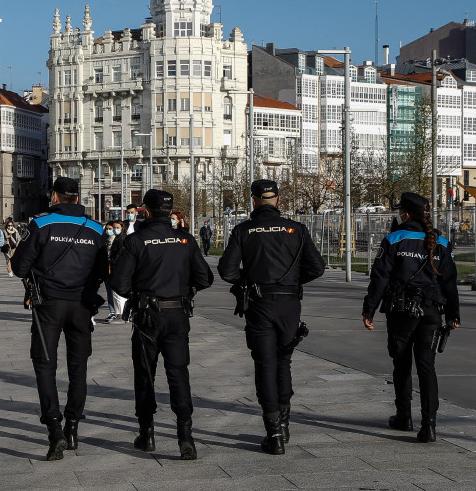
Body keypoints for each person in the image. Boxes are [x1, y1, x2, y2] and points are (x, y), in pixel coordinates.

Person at [217, 180, 325, 455]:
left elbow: (227, 271)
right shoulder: (296, 229)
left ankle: (273, 432)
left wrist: (250, 281)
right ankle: (285, 424)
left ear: (253, 200)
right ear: (277, 200)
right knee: (284, 362)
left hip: (259, 302)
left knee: (265, 365)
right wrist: (291, 281)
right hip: (289, 302)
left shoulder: (244, 230)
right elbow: (317, 267)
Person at [11, 177, 108, 461]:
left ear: (54, 196)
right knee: (78, 368)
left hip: (48, 304)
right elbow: (103, 269)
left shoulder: (41, 224)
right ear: (77, 198)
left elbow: (19, 267)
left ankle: (55, 430)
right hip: (81, 305)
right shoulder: (95, 228)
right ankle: (74, 426)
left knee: (45, 365)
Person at [112, 189, 213, 460]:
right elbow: (205, 279)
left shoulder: (136, 240)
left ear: (146, 210)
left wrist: (138, 290)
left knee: (145, 374)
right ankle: (185, 436)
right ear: (170, 212)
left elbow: (119, 284)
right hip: (177, 314)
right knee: (178, 373)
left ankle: (147, 434)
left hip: (147, 316)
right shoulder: (185, 240)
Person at [362, 192, 460, 443]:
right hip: (431, 312)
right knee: (427, 368)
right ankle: (429, 425)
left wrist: (369, 309)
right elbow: (449, 283)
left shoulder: (394, 239)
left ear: (405, 213)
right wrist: (453, 314)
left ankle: (404, 416)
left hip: (402, 311)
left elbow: (380, 278)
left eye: (400, 211)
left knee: (402, 364)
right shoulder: (442, 242)